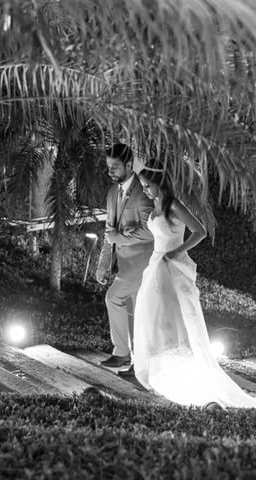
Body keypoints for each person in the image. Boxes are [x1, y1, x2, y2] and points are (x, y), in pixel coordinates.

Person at [133, 162, 256, 408]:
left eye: (147, 186)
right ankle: (163, 373)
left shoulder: (174, 205)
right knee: (154, 319)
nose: (145, 190)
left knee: (178, 320)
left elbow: (200, 231)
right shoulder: (156, 206)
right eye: (143, 186)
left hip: (172, 266)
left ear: (159, 183)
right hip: (156, 266)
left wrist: (177, 251)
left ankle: (189, 374)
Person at [95, 144, 154, 371]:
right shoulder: (112, 193)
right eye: (108, 166)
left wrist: (121, 237)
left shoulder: (143, 190)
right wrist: (103, 265)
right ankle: (136, 362)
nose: (110, 171)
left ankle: (122, 353)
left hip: (143, 261)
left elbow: (150, 230)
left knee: (114, 298)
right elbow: (109, 232)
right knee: (133, 311)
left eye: (115, 167)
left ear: (129, 165)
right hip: (124, 264)